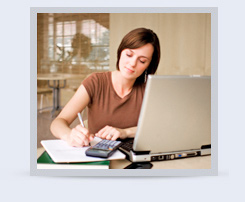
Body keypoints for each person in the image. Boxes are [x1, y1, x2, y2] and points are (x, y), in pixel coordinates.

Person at [50, 27, 161, 147]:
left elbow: (160, 128)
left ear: (148, 66)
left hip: (134, 158)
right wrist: (69, 135)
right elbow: (57, 123)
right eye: (129, 54)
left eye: (142, 61)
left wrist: (125, 132)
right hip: (99, 156)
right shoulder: (96, 82)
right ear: (120, 52)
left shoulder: (149, 90)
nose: (132, 63)